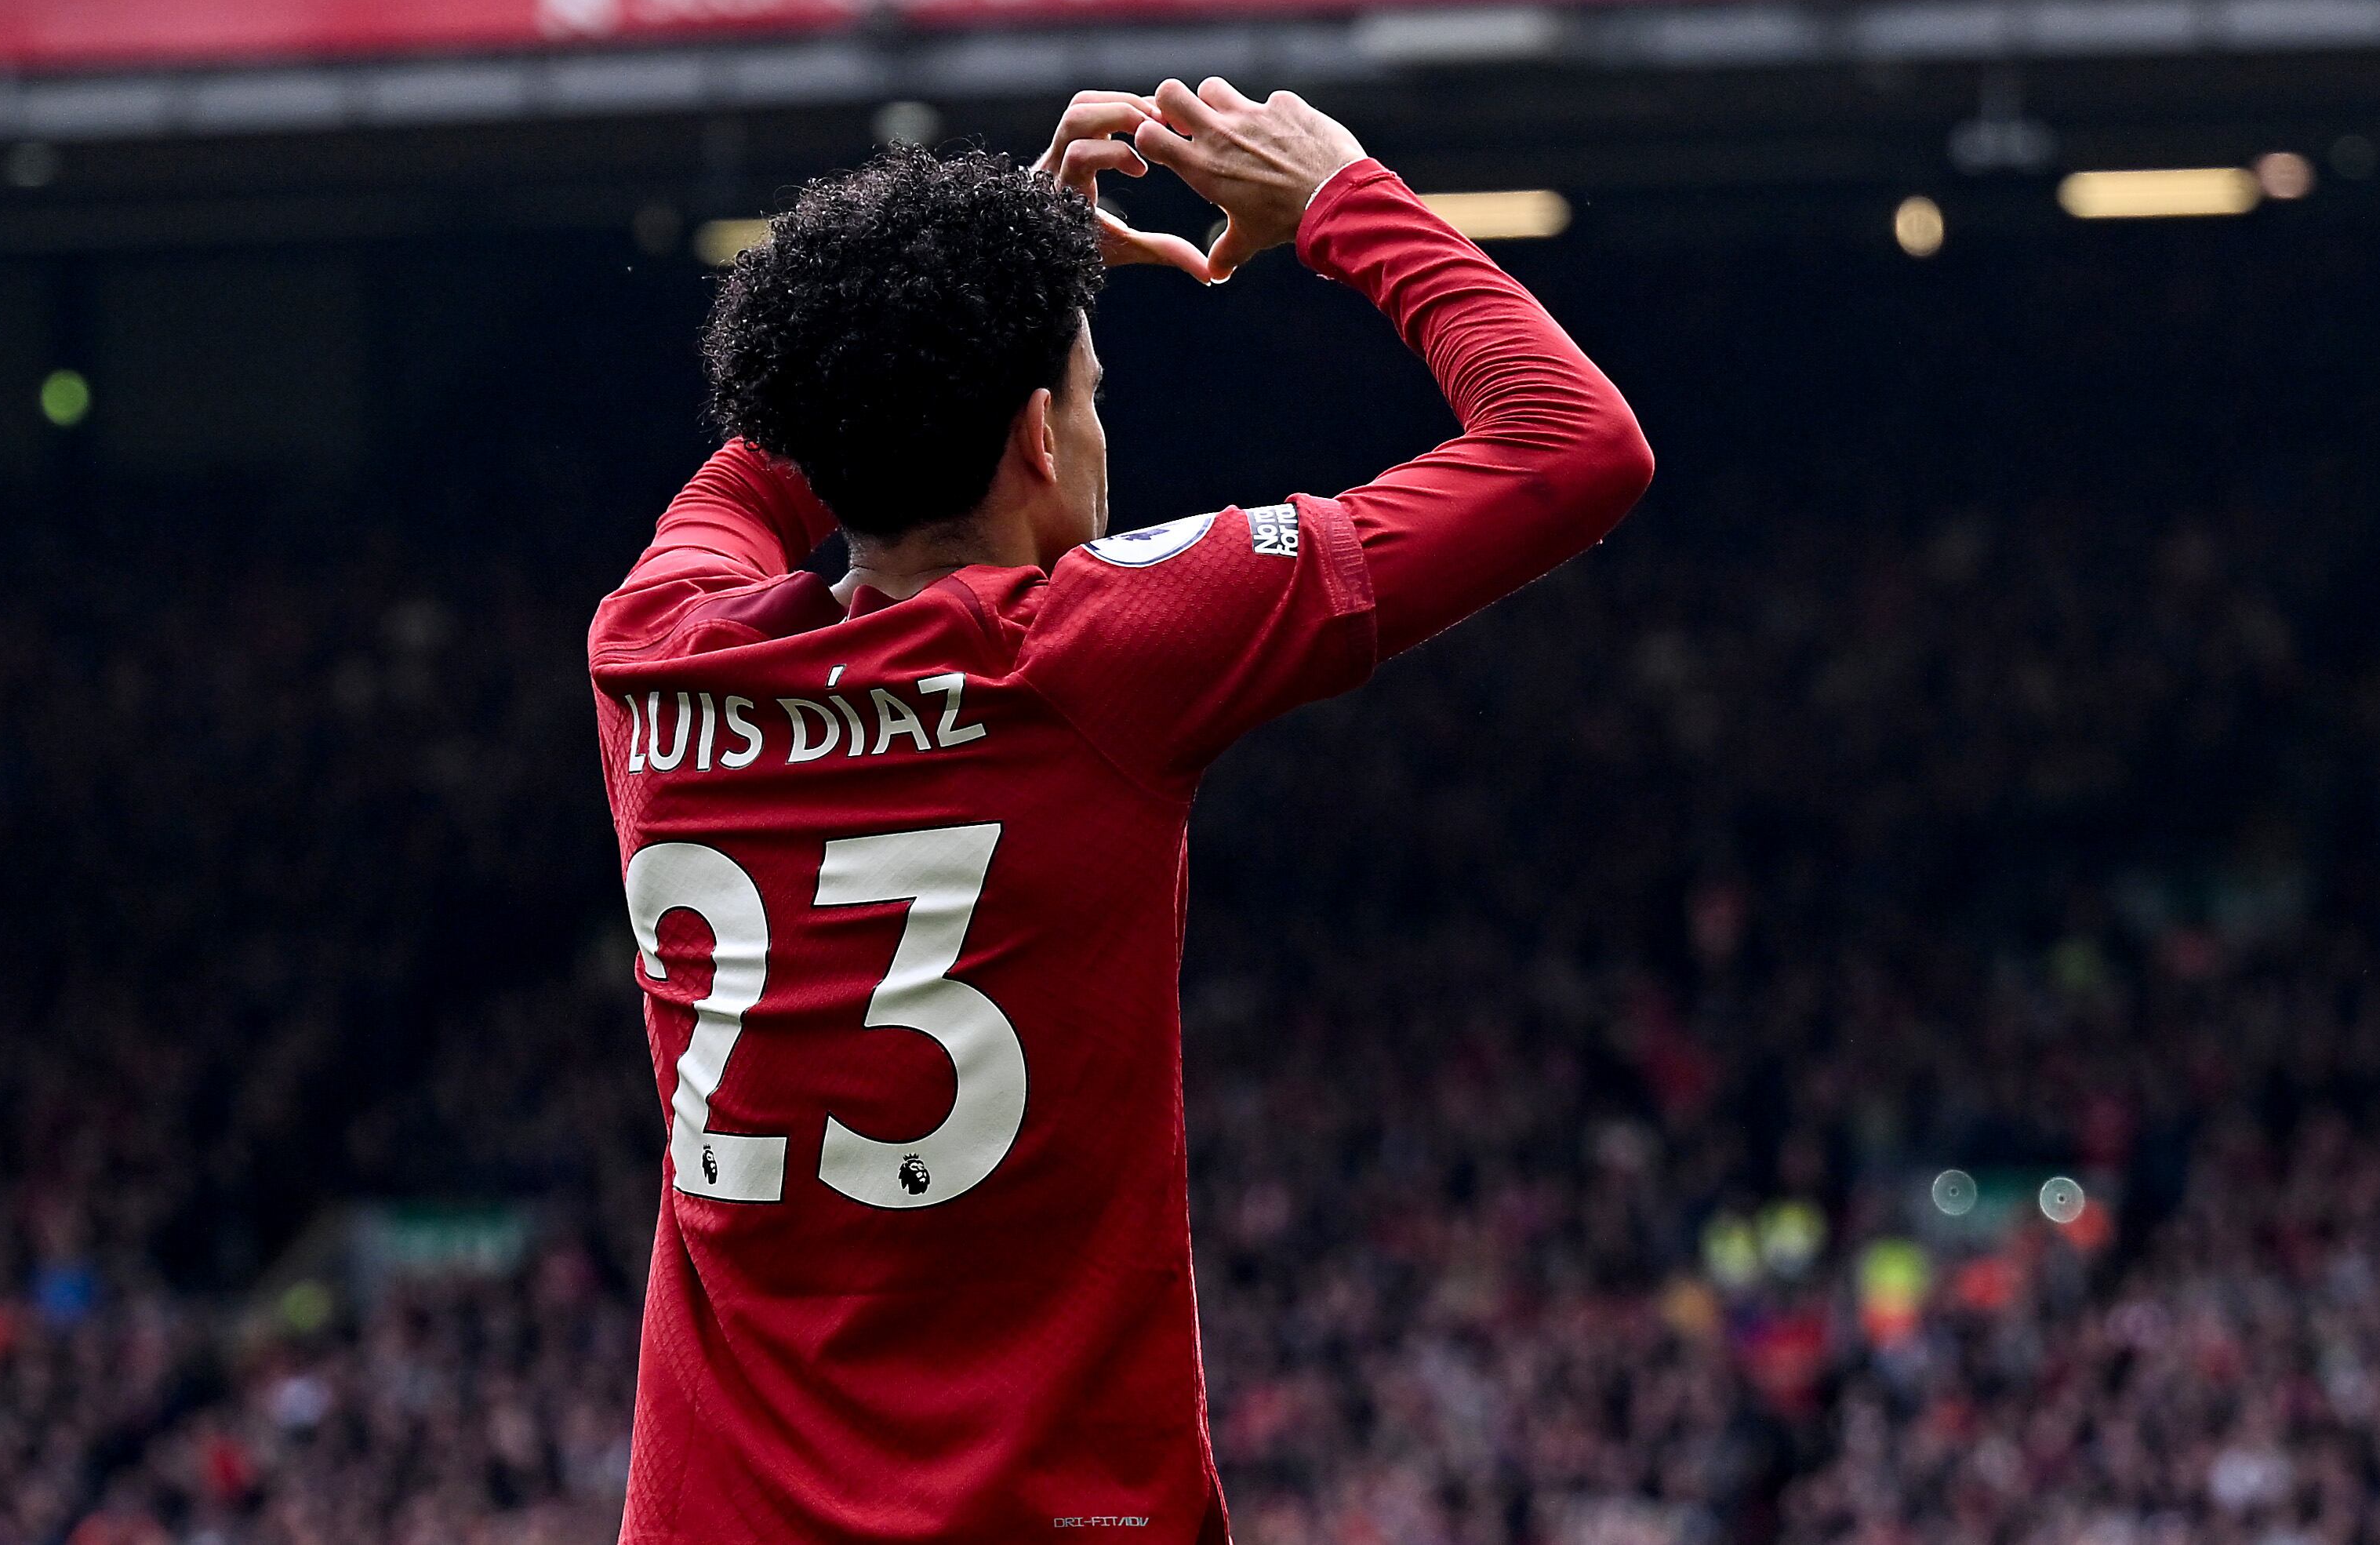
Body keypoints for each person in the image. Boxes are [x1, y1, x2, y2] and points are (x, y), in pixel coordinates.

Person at [588, 78, 1652, 1540]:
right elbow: (1571, 446)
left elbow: (787, 449)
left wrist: (969, 282)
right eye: (1092, 391)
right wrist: (1345, 198)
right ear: (1040, 435)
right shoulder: (1101, 654)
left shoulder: (651, 649)